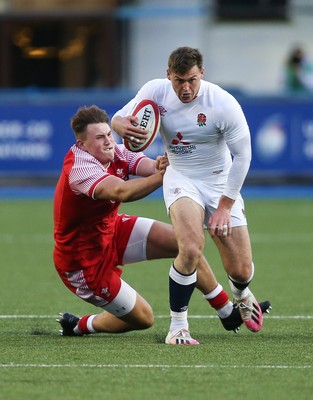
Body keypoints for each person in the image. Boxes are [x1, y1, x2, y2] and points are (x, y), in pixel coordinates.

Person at [54, 105, 269, 343]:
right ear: (82, 145)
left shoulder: (116, 151)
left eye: (108, 134)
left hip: (110, 230)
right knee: (144, 318)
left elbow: (151, 167)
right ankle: (80, 325)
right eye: (99, 138)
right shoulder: (79, 167)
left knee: (182, 244)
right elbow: (122, 191)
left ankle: (226, 311)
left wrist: (168, 163)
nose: (108, 142)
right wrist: (162, 175)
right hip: (83, 261)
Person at [112, 47, 271, 345]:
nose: (186, 88)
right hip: (181, 178)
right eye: (179, 81)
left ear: (202, 75)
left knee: (241, 269)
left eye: (192, 80)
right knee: (190, 248)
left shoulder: (222, 103)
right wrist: (120, 125)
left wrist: (225, 206)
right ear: (168, 75)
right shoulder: (155, 92)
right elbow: (120, 118)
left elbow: (243, 157)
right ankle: (178, 327)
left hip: (221, 182)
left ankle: (240, 293)